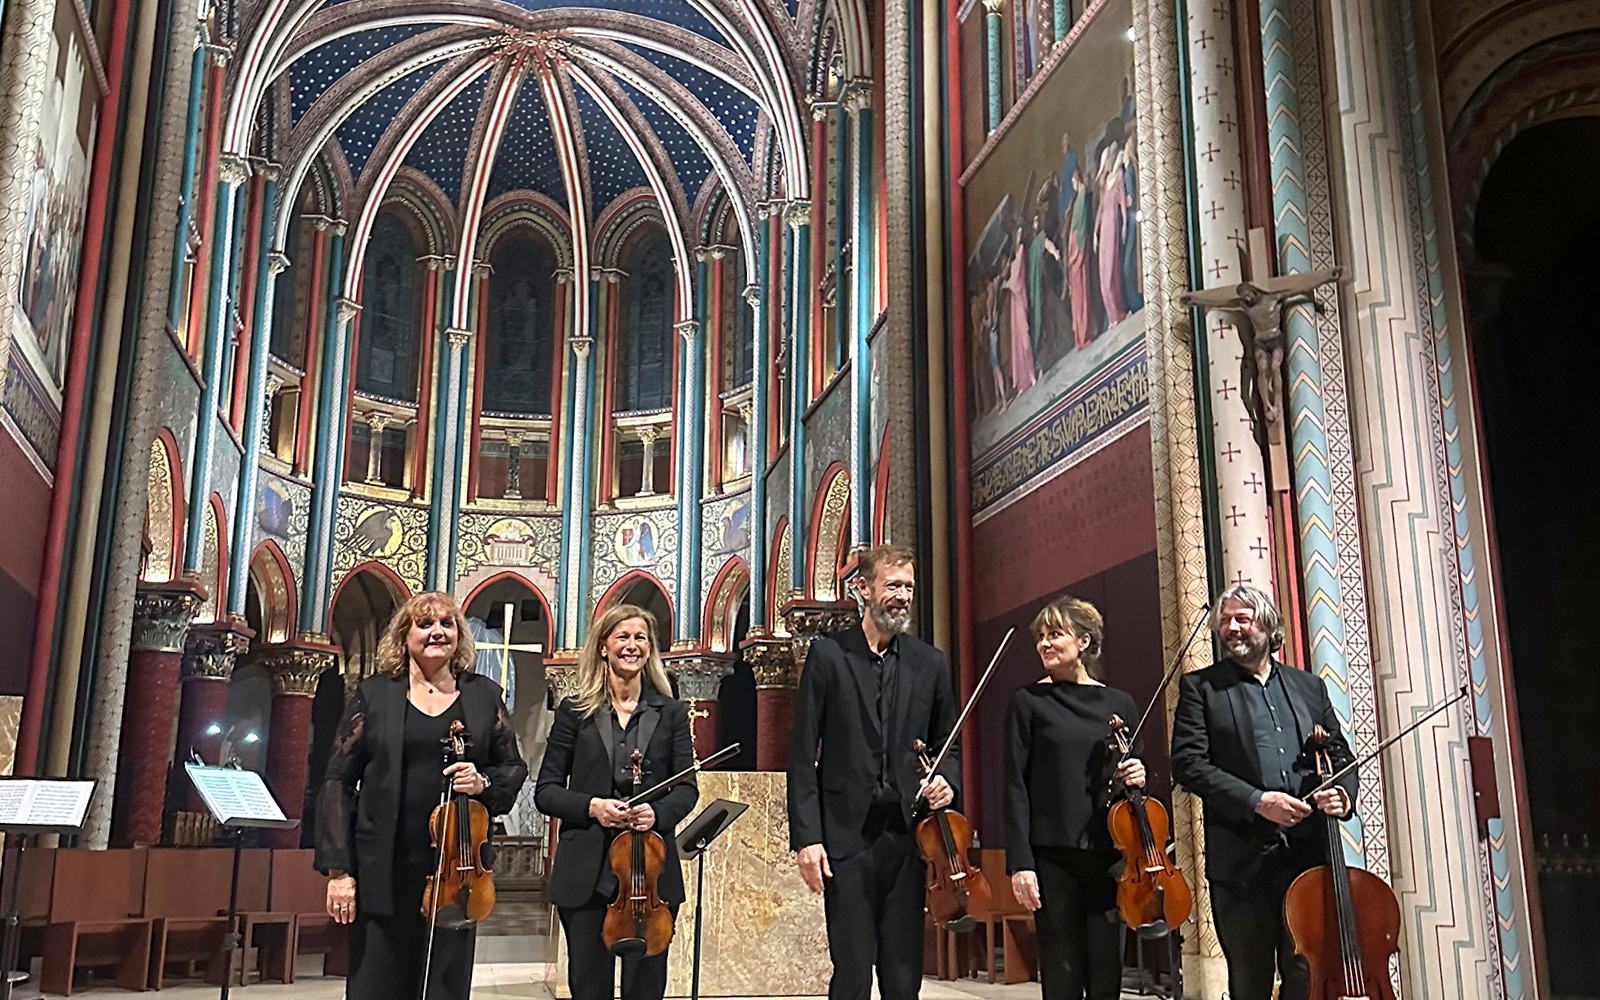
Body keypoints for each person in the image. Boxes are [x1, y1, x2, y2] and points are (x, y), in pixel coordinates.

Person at [316, 591, 529, 1000]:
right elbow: (336, 780)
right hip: (384, 868)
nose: (437, 632)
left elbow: (513, 768)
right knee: (377, 987)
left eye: (447, 624)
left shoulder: (483, 696)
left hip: (457, 871)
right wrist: (339, 871)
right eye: (425, 624)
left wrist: (482, 782)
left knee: (444, 990)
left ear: (459, 636)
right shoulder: (375, 695)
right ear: (404, 635)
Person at [788, 544, 960, 1000]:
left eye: (908, 587)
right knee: (852, 973)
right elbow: (803, 755)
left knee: (904, 977)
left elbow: (949, 747)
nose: (903, 596)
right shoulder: (828, 656)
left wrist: (948, 779)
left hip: (906, 838)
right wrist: (808, 839)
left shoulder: (930, 663)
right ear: (864, 589)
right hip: (846, 840)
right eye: (893, 586)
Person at [1169, 584, 1358, 1000]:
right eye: (1225, 619)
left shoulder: (1309, 687)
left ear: (1269, 626)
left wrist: (1341, 796)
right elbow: (1188, 765)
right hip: (1242, 862)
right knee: (1250, 980)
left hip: (1306, 858)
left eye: (1242, 618)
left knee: (1305, 973)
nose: (1231, 627)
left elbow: (1340, 754)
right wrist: (1258, 802)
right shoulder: (1201, 688)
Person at [535, 603, 699, 1000]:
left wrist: (656, 812)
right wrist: (594, 807)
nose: (632, 645)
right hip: (586, 869)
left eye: (640, 637)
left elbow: (687, 789)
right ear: (603, 647)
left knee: (646, 988)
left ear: (650, 648)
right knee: (589, 986)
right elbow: (547, 791)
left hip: (650, 872)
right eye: (622, 637)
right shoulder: (574, 713)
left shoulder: (672, 712)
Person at [1003, 596, 1147, 1000]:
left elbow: (1134, 784)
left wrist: (1138, 775)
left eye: (1055, 634)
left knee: (1106, 979)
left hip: (1109, 856)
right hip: (1053, 858)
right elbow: (1014, 784)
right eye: (1041, 637)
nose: (1044, 644)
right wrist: (1021, 864)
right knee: (1061, 977)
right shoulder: (1028, 702)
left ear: (1084, 641)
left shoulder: (1119, 704)